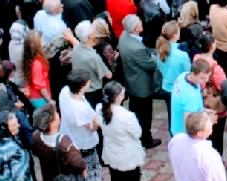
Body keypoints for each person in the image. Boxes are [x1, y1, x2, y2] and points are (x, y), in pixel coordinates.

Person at [118, 15, 161, 148]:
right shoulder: (136, 49)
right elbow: (151, 64)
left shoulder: (124, 36)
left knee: (135, 111)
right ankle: (146, 139)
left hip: (131, 81)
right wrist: (155, 55)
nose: (142, 23)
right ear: (135, 28)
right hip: (141, 86)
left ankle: (135, 134)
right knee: (145, 115)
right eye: (139, 23)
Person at [97, 81, 145, 181]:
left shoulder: (99, 108)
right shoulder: (127, 116)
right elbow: (138, 133)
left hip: (111, 153)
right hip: (127, 158)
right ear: (118, 97)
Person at [58, 69, 103, 181]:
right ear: (82, 86)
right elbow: (92, 127)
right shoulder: (81, 109)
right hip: (82, 142)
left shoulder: (65, 91)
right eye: (88, 81)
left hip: (68, 135)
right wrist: (98, 114)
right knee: (85, 171)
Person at [169, 111, 227, 181]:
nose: (211, 124)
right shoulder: (209, 155)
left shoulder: (176, 140)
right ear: (200, 133)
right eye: (209, 125)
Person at [31, 102, 87, 181]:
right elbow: (79, 163)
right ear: (52, 123)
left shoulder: (36, 137)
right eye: (55, 113)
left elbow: (35, 152)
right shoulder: (63, 142)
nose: (58, 114)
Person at [155, 21, 191, 129]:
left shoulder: (160, 51)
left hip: (167, 88)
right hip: (180, 90)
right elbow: (188, 73)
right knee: (182, 117)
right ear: (175, 35)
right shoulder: (182, 55)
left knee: (172, 116)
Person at [71, 20, 112, 108]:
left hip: (80, 89)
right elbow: (108, 75)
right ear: (90, 36)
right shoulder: (93, 57)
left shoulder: (76, 48)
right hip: (93, 93)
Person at [170, 59, 211, 136]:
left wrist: (202, 110)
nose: (206, 80)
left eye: (208, 76)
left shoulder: (183, 75)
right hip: (183, 134)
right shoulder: (191, 98)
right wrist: (209, 120)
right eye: (202, 78)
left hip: (176, 127)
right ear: (192, 74)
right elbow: (190, 126)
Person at [23, 30, 52, 108]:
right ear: (36, 45)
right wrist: (49, 100)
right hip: (40, 99)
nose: (44, 42)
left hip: (36, 96)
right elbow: (40, 86)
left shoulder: (30, 59)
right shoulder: (37, 64)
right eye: (41, 40)